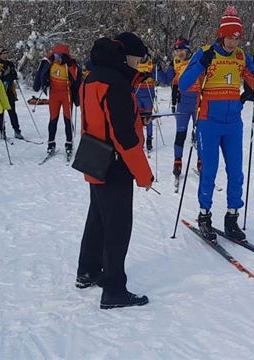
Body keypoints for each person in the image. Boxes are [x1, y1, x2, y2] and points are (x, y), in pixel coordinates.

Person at [76, 33, 154, 310]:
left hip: (94, 157)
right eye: (139, 57)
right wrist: (144, 174)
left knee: (97, 217)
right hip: (114, 164)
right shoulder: (117, 83)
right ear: (127, 56)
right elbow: (124, 136)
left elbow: (102, 119)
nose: (141, 63)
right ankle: (114, 288)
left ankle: (87, 270)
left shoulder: (93, 76)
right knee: (117, 226)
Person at [179, 6, 254, 242]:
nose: (233, 41)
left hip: (233, 123)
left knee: (236, 173)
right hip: (208, 122)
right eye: (229, 36)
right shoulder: (205, 53)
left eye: (237, 37)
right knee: (209, 171)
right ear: (221, 35)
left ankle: (232, 218)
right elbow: (183, 84)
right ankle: (204, 216)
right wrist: (200, 64)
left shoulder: (241, 57)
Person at [161, 37, 200, 177]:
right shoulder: (175, 62)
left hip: (197, 102)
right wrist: (157, 70)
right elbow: (166, 79)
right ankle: (177, 162)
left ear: (188, 49)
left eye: (182, 50)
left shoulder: (197, 60)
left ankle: (201, 161)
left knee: (200, 133)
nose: (180, 53)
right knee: (180, 134)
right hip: (183, 103)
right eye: (177, 50)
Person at [33, 43, 81, 156]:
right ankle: (51, 144)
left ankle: (69, 144)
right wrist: (43, 83)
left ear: (64, 55)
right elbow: (41, 72)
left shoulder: (70, 65)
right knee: (53, 119)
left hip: (66, 94)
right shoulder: (50, 62)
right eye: (55, 55)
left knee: (67, 120)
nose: (57, 58)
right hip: (54, 94)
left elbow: (76, 78)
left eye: (59, 56)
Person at [0, 49, 23, 140]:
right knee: (0, 113)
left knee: (12, 112)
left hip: (9, 91)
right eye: (3, 54)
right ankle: (2, 131)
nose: (6, 55)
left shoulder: (10, 64)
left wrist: (10, 77)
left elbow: (14, 74)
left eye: (7, 53)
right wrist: (6, 77)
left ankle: (17, 131)